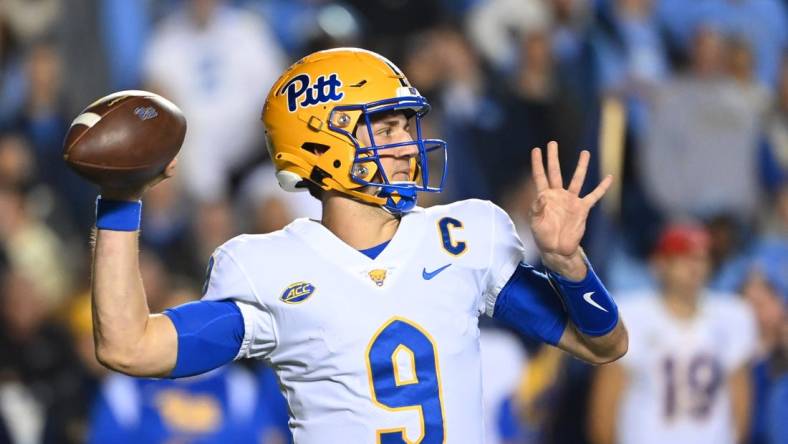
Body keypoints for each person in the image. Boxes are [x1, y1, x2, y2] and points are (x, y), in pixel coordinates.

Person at [88, 48, 627, 442]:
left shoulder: (462, 237)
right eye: (385, 129)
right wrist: (120, 201)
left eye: (406, 127)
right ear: (322, 140)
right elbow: (129, 347)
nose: (407, 145)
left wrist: (568, 264)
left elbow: (605, 344)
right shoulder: (268, 268)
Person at [588, 224, 757, 444]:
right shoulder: (630, 315)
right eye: (684, 258)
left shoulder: (734, 315)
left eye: (701, 258)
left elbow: (740, 400)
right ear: (659, 264)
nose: (695, 267)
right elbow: (605, 407)